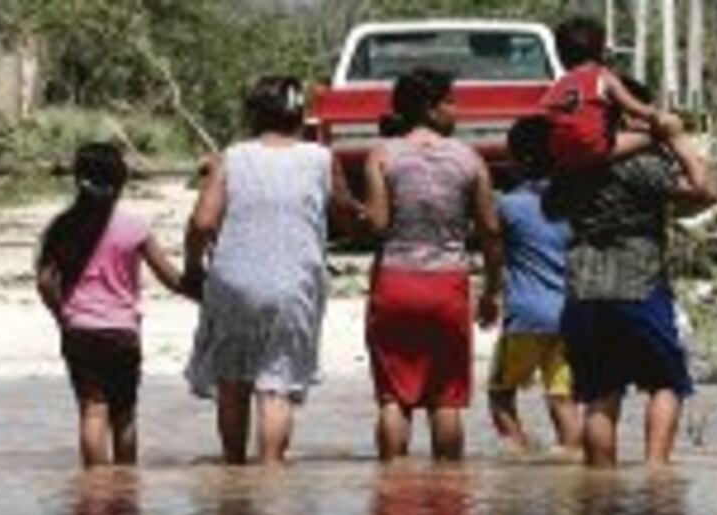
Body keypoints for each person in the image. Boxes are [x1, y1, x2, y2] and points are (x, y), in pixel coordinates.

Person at [184, 75, 360, 465]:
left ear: (253, 115)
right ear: (301, 115)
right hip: (293, 283)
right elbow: (346, 214)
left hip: (232, 281)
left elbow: (202, 223)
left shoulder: (231, 157)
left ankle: (233, 471)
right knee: (276, 386)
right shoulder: (320, 158)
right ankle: (270, 477)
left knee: (232, 381)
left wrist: (193, 267)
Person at [548, 78, 717, 466]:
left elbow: (551, 207)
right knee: (665, 383)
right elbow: (706, 191)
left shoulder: (572, 167)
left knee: (600, 393)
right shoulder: (641, 163)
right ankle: (657, 475)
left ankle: (601, 486)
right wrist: (679, 141)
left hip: (583, 288)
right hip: (638, 284)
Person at [363, 68, 501, 461]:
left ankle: (391, 489)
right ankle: (448, 494)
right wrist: (492, 290)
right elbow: (491, 230)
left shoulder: (383, 154)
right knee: (446, 400)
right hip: (447, 285)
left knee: (393, 397)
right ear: (429, 107)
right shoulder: (469, 158)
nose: (456, 111)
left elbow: (377, 224)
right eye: (450, 102)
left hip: (395, 281)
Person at [36, 142, 195, 468]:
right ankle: (125, 490)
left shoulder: (61, 226)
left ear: (77, 179)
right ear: (121, 181)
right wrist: (204, 293)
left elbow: (44, 281)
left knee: (92, 409)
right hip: (122, 331)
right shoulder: (134, 227)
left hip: (79, 329)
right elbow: (169, 277)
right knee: (124, 415)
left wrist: (61, 314)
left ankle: (94, 491)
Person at [488, 115, 581, 454]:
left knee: (500, 395)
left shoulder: (508, 206)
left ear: (522, 161)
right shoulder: (574, 204)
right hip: (569, 315)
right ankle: (571, 462)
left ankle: (518, 454)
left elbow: (493, 255)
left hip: (525, 317)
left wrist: (489, 295)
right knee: (563, 399)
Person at [542, 15, 669, 173]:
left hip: (561, 155)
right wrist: (662, 117)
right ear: (600, 51)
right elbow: (635, 109)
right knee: (655, 136)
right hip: (593, 151)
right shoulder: (603, 76)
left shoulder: (560, 84)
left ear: (560, 55)